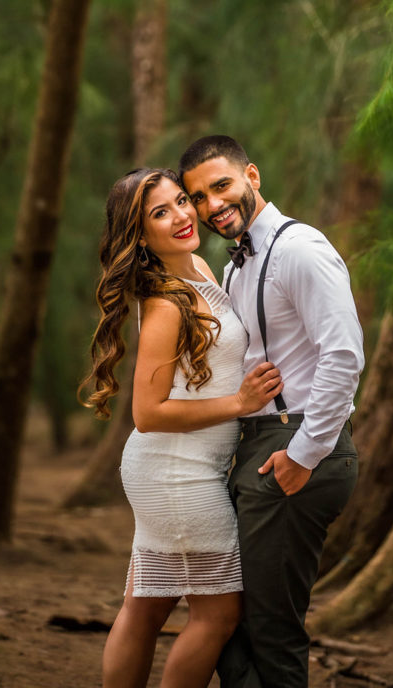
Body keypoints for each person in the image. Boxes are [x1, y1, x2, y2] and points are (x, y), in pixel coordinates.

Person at [79, 167, 283, 688]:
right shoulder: (167, 302)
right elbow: (147, 413)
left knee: (145, 606)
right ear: (140, 235)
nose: (182, 216)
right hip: (177, 473)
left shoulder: (196, 267)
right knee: (218, 615)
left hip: (181, 469)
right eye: (160, 213)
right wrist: (239, 402)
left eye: (180, 202)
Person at [178, 136, 365, 688]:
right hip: (257, 445)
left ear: (251, 177)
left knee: (272, 632)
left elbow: (344, 354)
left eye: (221, 186)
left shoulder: (299, 248)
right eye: (199, 197)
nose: (213, 205)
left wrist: (302, 456)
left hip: (296, 447)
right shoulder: (236, 268)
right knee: (228, 625)